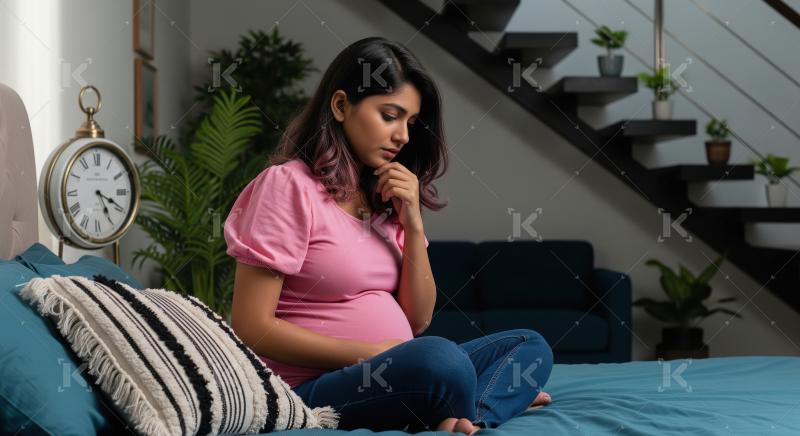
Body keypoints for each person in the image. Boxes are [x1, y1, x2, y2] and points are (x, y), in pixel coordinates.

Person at [224, 36, 553, 434]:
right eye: (390, 115)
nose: (404, 136)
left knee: (529, 348)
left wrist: (412, 221)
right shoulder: (287, 186)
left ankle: (470, 416)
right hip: (310, 387)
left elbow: (417, 320)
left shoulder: (385, 197)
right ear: (342, 106)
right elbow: (252, 326)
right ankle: (479, 397)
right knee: (442, 361)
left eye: (410, 123)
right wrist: (370, 356)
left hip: (399, 366)